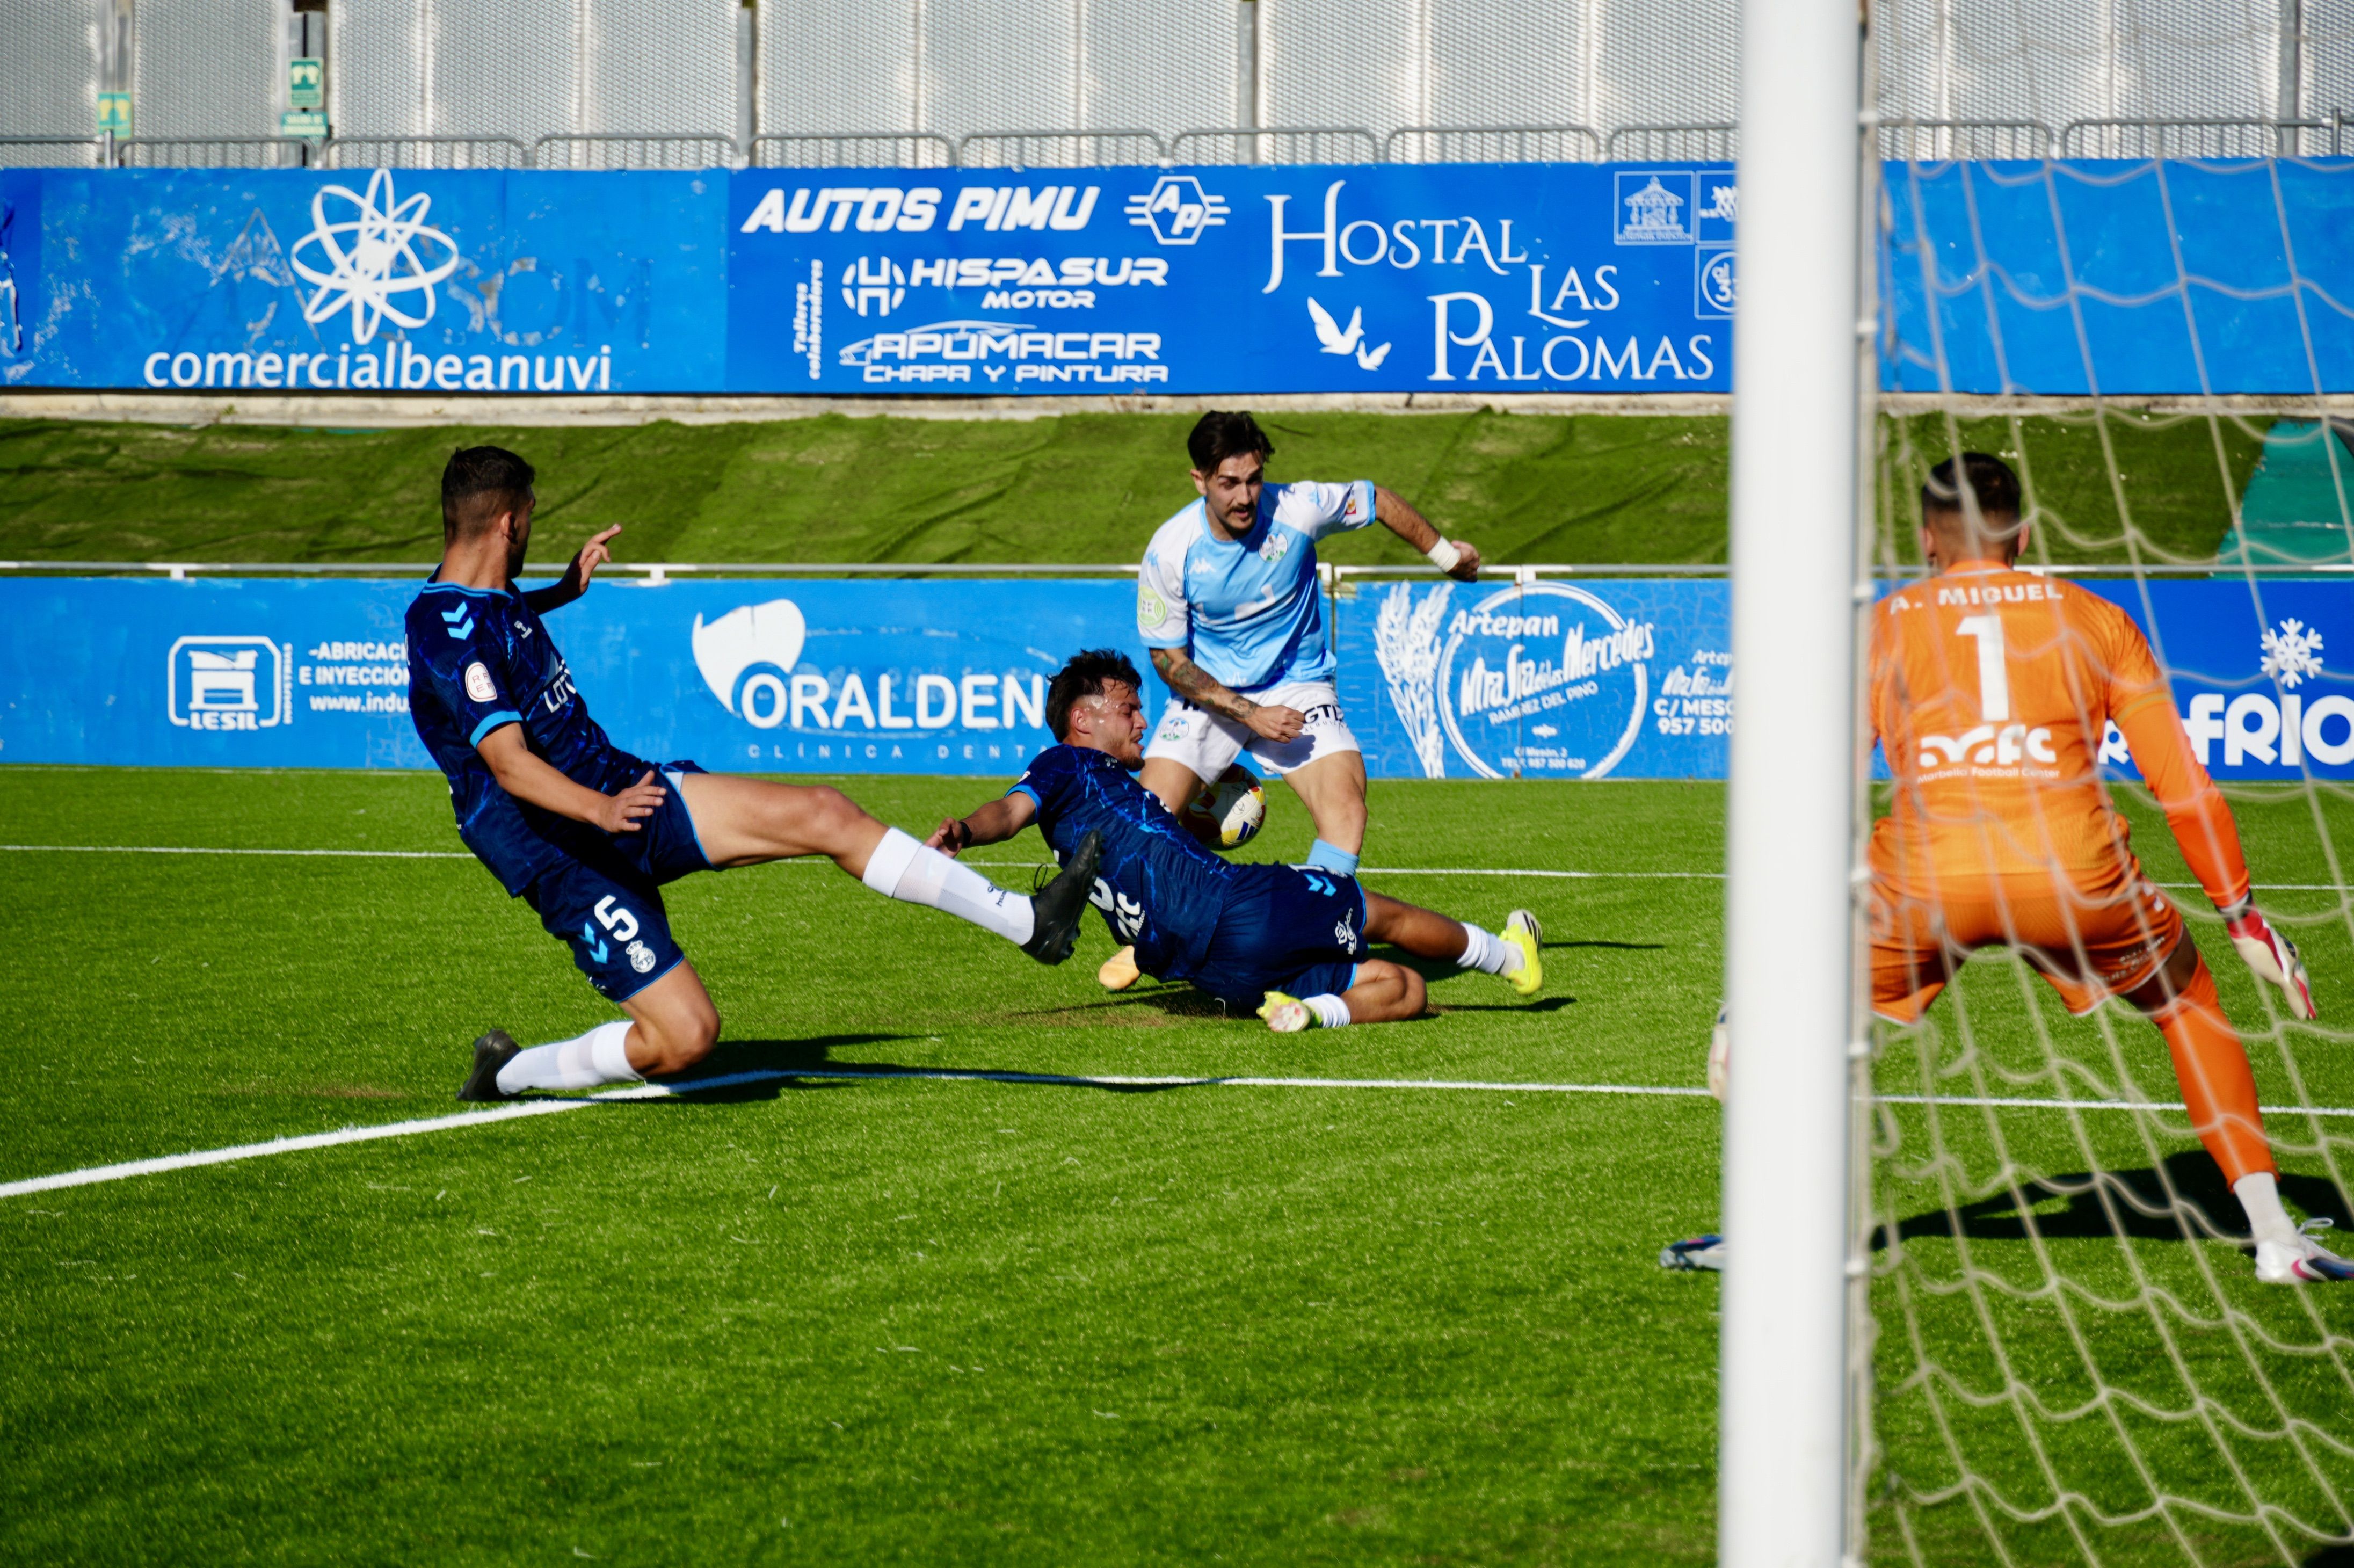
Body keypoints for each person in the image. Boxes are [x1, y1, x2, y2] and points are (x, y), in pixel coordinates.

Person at [1687, 453, 2337, 1284]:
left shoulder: (1877, 628)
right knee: (2187, 1000)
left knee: (1797, 1018)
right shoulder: (2096, 618)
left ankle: (1770, 1234)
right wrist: (2240, 910)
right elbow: (2183, 789)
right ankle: (2276, 1236)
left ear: (1927, 541)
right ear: (2024, 534)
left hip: (1924, 884)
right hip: (2075, 875)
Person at [406, 446, 1102, 1102]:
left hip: (628, 789)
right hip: (565, 850)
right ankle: (507, 1073)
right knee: (685, 1041)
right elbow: (508, 761)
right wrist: (600, 812)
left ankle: (1026, 922)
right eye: (531, 516)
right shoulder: (443, 628)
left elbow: (494, 620)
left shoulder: (478, 601)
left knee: (827, 813)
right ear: (511, 520)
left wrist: (562, 591)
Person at [925, 649, 1543, 1030]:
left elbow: (1141, 848)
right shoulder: (1066, 763)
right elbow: (1008, 811)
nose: (1142, 719)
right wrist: (966, 829)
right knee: (1383, 912)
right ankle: (1511, 956)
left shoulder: (1107, 799)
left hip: (1218, 976)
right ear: (1082, 719)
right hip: (1239, 907)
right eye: (1128, 708)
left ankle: (1311, 1013)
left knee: (1406, 988)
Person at [1095, 409, 1488, 992]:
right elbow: (1169, 661)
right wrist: (1249, 713)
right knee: (1143, 817)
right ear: (1198, 479)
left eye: (1253, 478)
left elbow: (1375, 498)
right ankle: (1158, 936)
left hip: (1298, 683)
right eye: (1228, 482)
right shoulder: (1170, 551)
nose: (1245, 495)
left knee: (1346, 809)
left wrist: (1445, 557)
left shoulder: (1298, 508)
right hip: (1213, 694)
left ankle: (1302, 936)